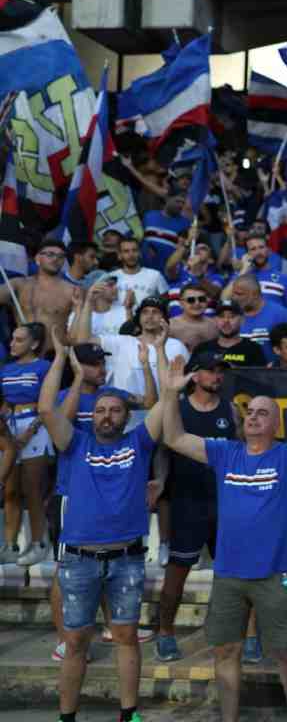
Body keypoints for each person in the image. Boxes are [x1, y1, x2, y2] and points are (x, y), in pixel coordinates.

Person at [158, 355, 287, 722]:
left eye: (262, 413)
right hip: (228, 576)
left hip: (275, 575)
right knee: (226, 652)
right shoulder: (226, 453)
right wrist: (171, 395)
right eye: (249, 411)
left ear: (276, 424)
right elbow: (173, 437)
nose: (252, 416)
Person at [38, 332, 168, 722]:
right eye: (100, 411)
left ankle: (129, 715)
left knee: (127, 638)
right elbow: (46, 408)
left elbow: (164, 405)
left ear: (126, 416)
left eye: (114, 410)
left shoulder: (139, 443)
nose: (106, 415)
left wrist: (159, 353)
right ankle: (67, 718)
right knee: (75, 642)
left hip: (126, 560)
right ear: (90, 416)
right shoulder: (73, 444)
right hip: (80, 561)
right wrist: (60, 359)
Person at [154, 350, 239, 663]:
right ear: (195, 375)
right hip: (187, 502)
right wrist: (161, 481)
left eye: (220, 371)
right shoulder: (177, 408)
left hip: (224, 503)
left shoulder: (230, 410)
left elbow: (240, 450)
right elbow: (163, 451)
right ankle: (165, 633)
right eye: (211, 370)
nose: (217, 376)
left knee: (234, 576)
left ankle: (240, 635)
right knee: (176, 576)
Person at [0, 323, 53, 565]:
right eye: (12, 339)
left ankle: (38, 542)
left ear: (34, 344)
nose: (12, 344)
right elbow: (5, 403)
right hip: (9, 426)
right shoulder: (6, 369)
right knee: (10, 490)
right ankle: (9, 545)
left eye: (19, 340)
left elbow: (48, 403)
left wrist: (29, 431)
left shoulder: (44, 367)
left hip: (36, 426)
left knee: (32, 488)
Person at [0, 239, 77, 342]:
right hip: (22, 352)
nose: (55, 259)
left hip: (54, 354)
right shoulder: (18, 284)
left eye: (61, 256)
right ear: (37, 258)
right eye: (50, 254)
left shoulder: (73, 291)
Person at [193, 300, 268, 367]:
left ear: (242, 320)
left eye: (232, 317)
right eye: (221, 316)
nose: (226, 321)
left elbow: (260, 379)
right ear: (215, 320)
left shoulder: (253, 349)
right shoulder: (202, 348)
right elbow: (191, 376)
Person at [110, 235, 169, 306]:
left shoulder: (155, 275)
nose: (131, 255)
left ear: (140, 253)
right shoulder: (110, 277)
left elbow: (166, 303)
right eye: (126, 251)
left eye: (134, 250)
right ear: (119, 255)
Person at [168, 282, 220, 350]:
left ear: (207, 301)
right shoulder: (170, 326)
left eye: (201, 299)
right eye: (191, 300)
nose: (197, 303)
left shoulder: (215, 325)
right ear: (181, 303)